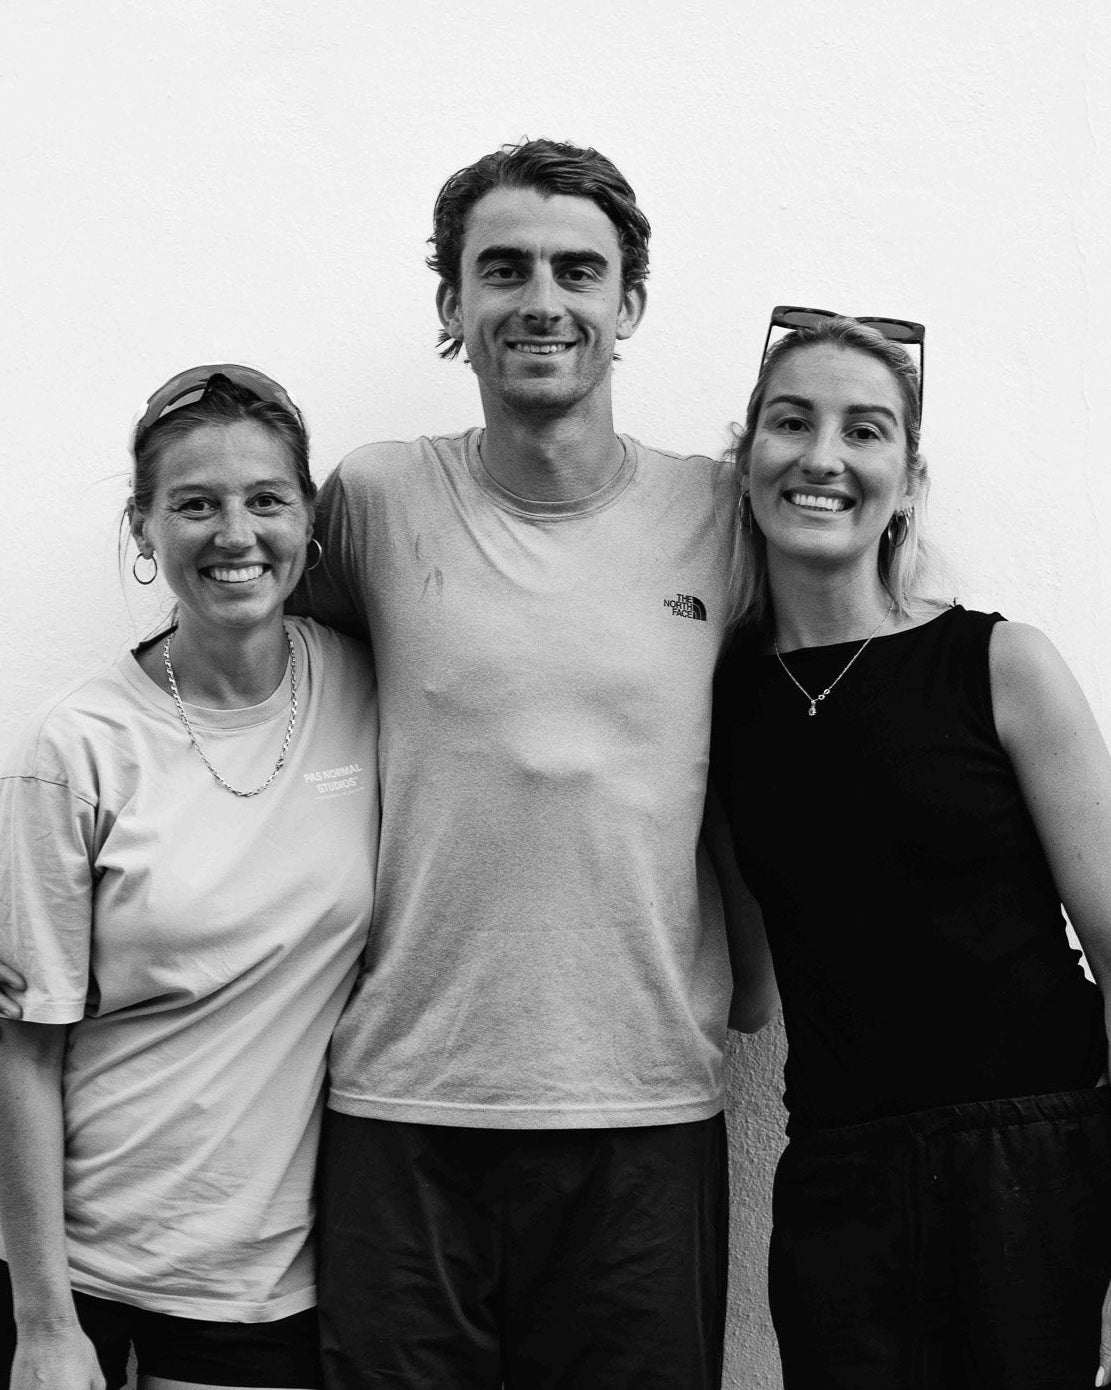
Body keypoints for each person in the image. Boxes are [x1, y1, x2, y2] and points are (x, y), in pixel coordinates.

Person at [291, 138, 774, 1390]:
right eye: (501, 269)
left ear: (630, 306)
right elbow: (259, 676)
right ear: (453, 307)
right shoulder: (378, 498)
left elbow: (820, 723)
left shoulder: (722, 516)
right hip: (401, 1103)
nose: (541, 300)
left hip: (645, 1109)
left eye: (577, 269)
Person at [711, 310, 1111, 1389]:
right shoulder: (716, 704)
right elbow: (746, 991)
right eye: (791, 422)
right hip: (840, 1182)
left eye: (865, 430)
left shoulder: (996, 661)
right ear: (745, 458)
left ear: (907, 475)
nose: (823, 457)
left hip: (1033, 1158)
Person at [0, 366, 379, 1390]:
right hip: (85, 1273)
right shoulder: (77, 745)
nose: (235, 533)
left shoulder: (372, 691)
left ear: (308, 519)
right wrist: (43, 1320)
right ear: (144, 527)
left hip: (266, 1282)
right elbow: (23, 1050)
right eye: (194, 504)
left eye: (266, 499)